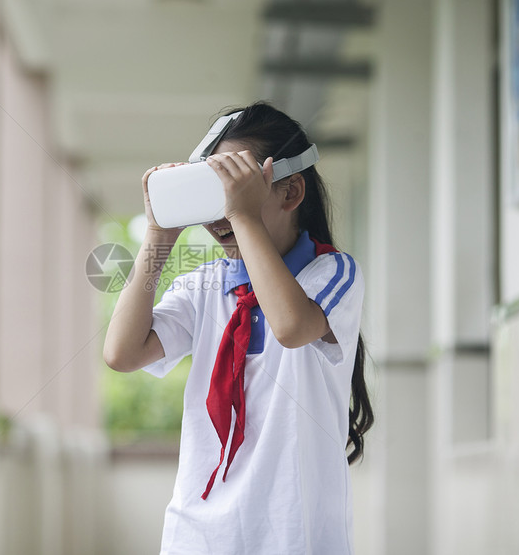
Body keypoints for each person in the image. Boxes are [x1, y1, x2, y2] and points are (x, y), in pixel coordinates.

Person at [103, 102, 373, 554]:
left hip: (294, 535)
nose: (219, 214)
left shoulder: (332, 274)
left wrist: (243, 216)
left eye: (236, 190)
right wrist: (157, 236)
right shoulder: (204, 286)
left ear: (290, 193)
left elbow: (291, 326)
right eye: (214, 194)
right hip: (199, 534)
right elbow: (122, 353)